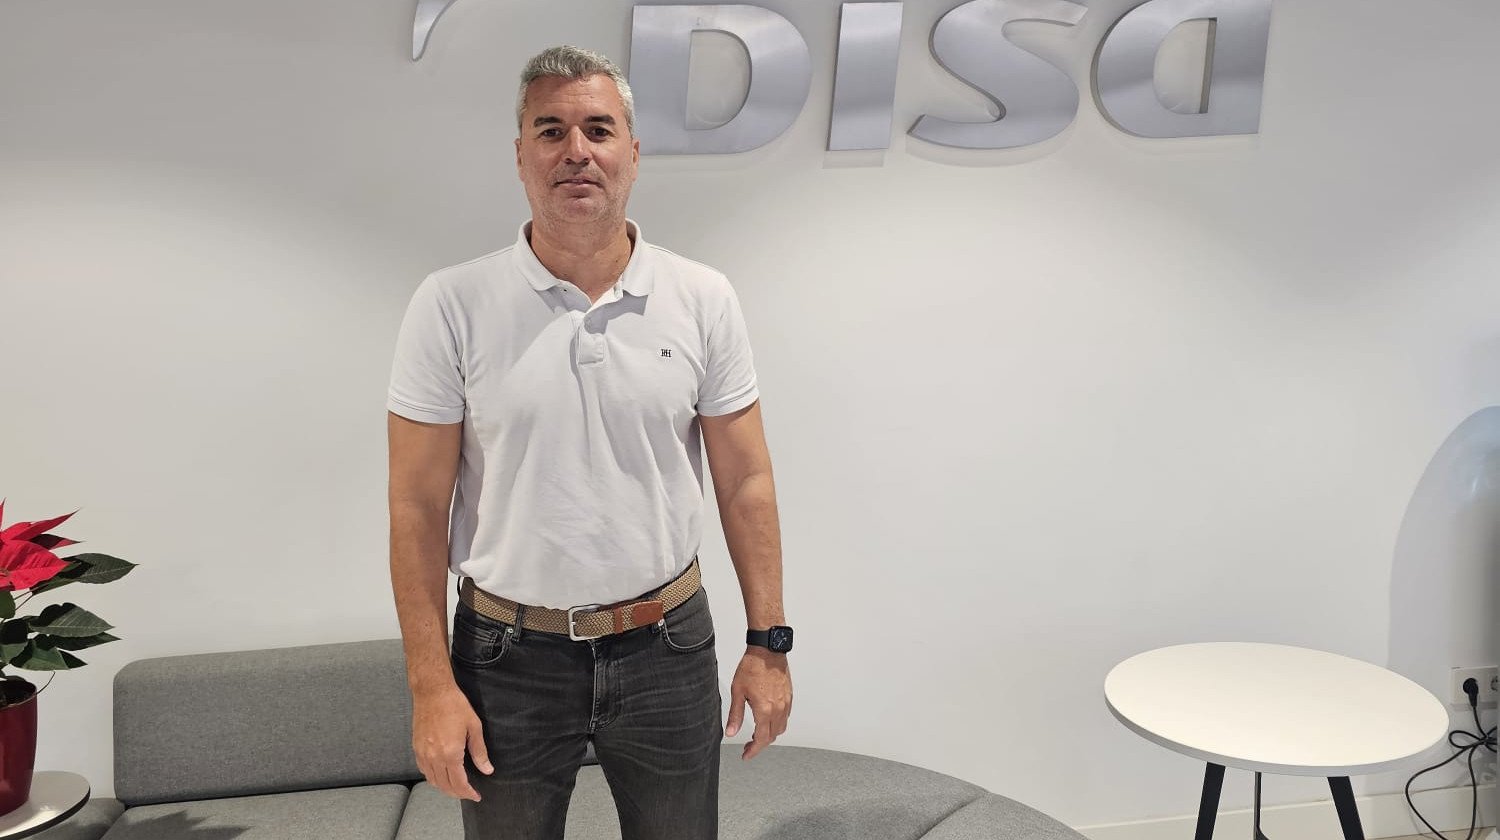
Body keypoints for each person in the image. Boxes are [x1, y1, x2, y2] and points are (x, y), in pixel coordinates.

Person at [385, 45, 793, 840]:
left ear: (632, 153)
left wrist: (768, 644)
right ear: (521, 156)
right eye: (551, 131)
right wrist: (430, 687)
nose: (576, 150)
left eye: (598, 130)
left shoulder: (702, 298)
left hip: (667, 647)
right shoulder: (451, 305)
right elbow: (416, 508)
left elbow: (746, 479)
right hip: (506, 659)